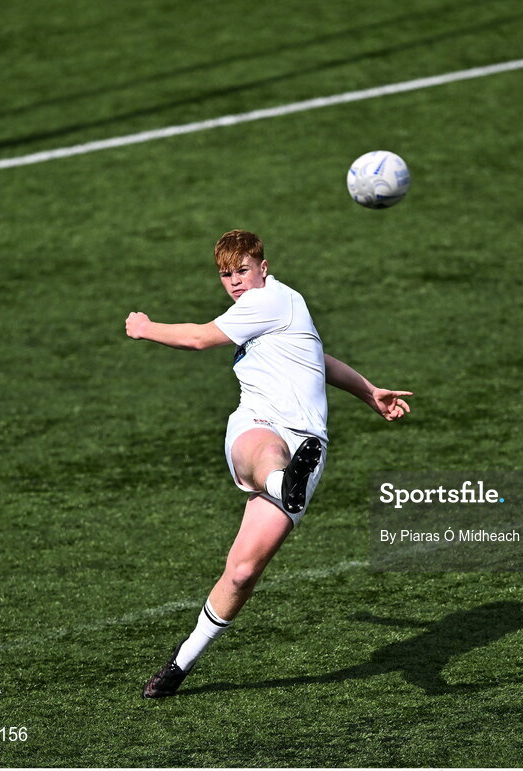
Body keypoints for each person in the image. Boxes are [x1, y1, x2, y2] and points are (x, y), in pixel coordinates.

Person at [125, 229, 412, 698]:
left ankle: (180, 664)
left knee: (241, 573)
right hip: (258, 422)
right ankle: (281, 481)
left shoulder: (275, 300)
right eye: (225, 274)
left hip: (306, 440)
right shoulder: (269, 312)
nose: (235, 282)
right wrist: (368, 391)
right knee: (263, 454)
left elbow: (198, 339)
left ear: (263, 266)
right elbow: (316, 356)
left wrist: (145, 327)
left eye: (241, 270)